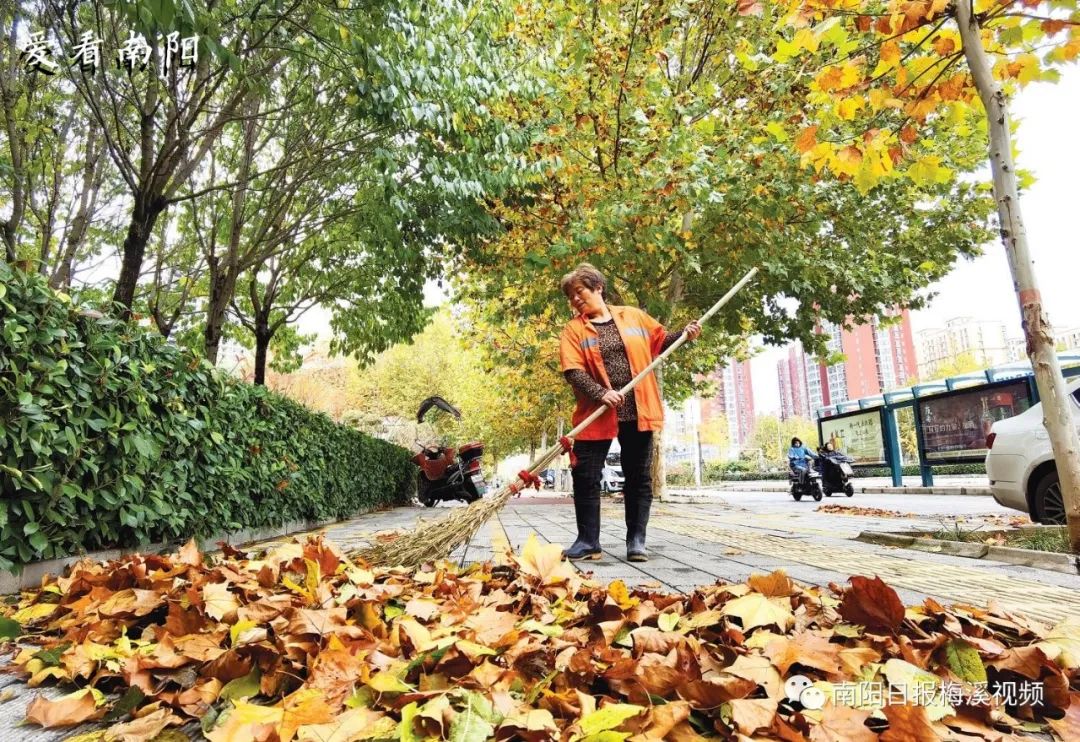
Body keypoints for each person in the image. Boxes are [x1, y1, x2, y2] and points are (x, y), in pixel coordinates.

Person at [558, 263, 700, 562]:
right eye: (570, 296)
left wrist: (685, 335)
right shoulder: (573, 330)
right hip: (595, 413)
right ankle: (588, 542)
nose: (575, 300)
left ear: (598, 287)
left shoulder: (632, 315)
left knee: (638, 477)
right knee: (585, 475)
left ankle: (636, 541)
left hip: (639, 409)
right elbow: (573, 371)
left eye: (579, 291)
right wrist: (601, 393)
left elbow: (660, 342)